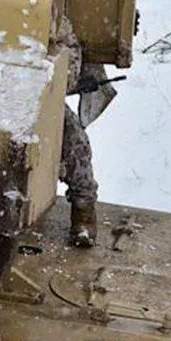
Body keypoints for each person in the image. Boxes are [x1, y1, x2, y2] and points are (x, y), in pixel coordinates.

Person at [57, 16, 99, 248]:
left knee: (75, 141)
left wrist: (59, 79)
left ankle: (83, 211)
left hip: (41, 94)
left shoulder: (52, 16)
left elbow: (70, 56)